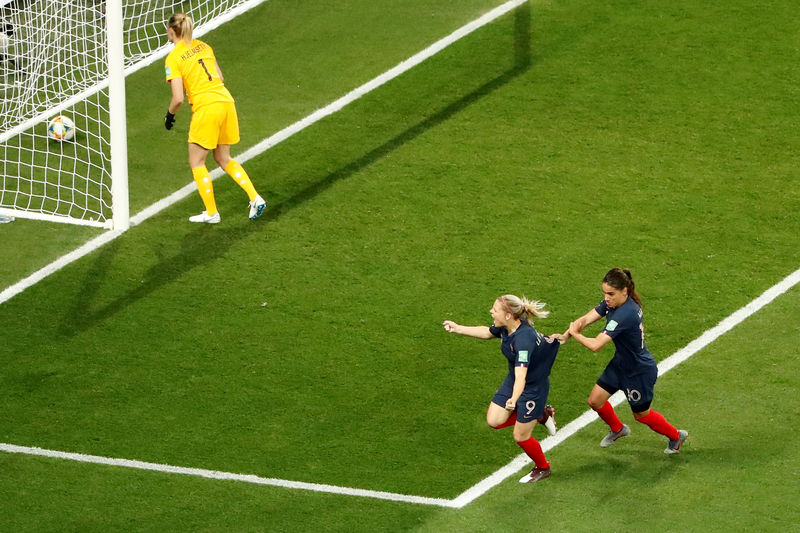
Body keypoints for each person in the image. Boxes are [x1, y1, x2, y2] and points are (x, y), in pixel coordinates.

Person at [563, 268, 688, 454]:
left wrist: (574, 333)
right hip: (621, 363)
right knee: (595, 401)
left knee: (641, 415)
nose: (606, 298)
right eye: (605, 293)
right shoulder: (613, 303)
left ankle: (676, 436)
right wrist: (566, 335)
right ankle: (618, 429)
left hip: (638, 371)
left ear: (625, 291)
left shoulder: (625, 314)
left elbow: (597, 345)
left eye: (610, 294)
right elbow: (587, 318)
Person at [443, 294, 560, 483]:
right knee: (494, 420)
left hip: (532, 387)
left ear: (508, 315)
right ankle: (540, 414)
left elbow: (522, 377)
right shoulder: (507, 327)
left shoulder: (523, 339)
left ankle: (543, 467)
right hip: (514, 378)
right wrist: (458, 328)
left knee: (521, 436)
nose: (491, 311)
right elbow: (486, 332)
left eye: (495, 309)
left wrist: (513, 400)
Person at [164, 12, 266, 224]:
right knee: (223, 157)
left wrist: (169, 116)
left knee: (197, 162)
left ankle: (212, 212)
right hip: (226, 102)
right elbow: (219, 77)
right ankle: (255, 197)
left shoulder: (173, 58)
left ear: (172, 31)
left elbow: (178, 98)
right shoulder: (204, 46)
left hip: (206, 108)